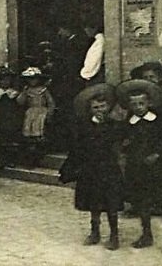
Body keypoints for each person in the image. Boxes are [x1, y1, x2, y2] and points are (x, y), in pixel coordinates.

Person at [118, 79, 162, 253]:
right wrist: (125, 146)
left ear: (149, 102)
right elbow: (124, 140)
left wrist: (157, 154)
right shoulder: (129, 122)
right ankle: (146, 235)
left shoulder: (158, 121)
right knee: (142, 202)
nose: (139, 107)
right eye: (134, 104)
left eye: (142, 103)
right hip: (137, 168)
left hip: (157, 169)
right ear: (129, 106)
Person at [60, 83, 123, 251]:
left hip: (108, 167)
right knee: (93, 202)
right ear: (90, 109)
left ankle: (114, 235)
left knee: (111, 203)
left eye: (103, 106)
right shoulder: (84, 125)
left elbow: (117, 142)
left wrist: (107, 126)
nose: (99, 110)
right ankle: (95, 232)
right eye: (95, 107)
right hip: (91, 168)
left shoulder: (114, 125)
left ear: (108, 107)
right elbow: (78, 146)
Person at [17, 66, 55, 165]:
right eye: (29, 79)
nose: (32, 81)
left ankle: (39, 153)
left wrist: (50, 113)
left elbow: (50, 102)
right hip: (31, 112)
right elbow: (20, 102)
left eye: (34, 79)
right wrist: (24, 92)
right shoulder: (27, 90)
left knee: (39, 131)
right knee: (29, 132)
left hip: (41, 111)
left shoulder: (43, 90)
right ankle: (30, 154)